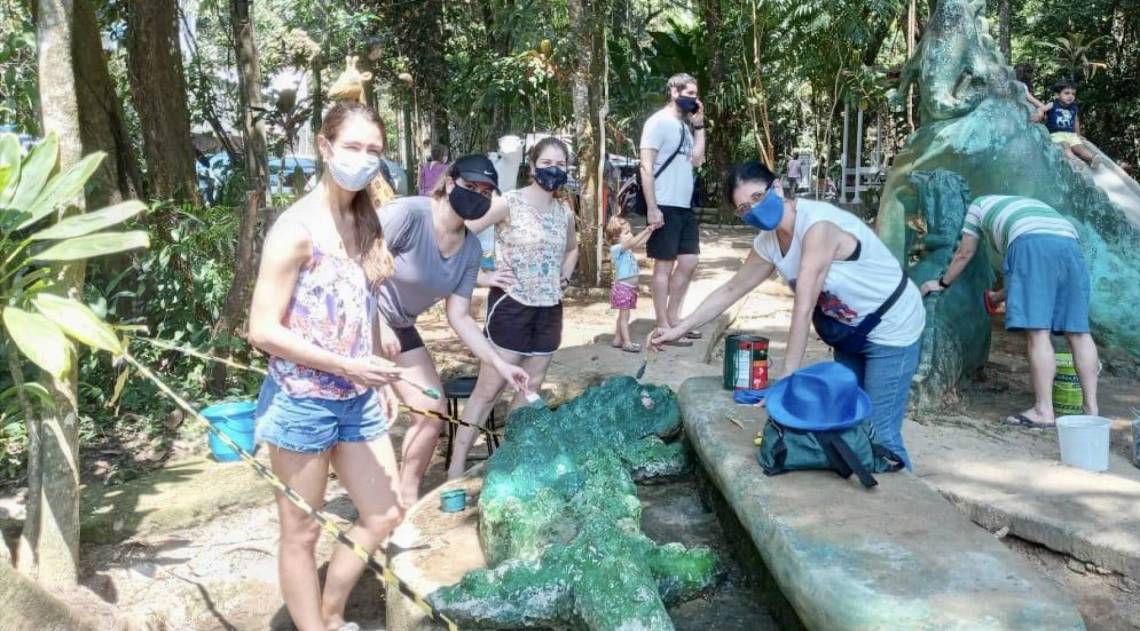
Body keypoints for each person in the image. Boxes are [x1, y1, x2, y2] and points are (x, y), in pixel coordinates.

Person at [653, 161, 926, 467]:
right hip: (849, 333)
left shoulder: (818, 226)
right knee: (852, 425)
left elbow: (804, 305)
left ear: (778, 187)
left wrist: (785, 383)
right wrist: (679, 327)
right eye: (744, 208)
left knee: (882, 437)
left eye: (757, 198)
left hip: (893, 326)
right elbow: (731, 290)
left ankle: (905, 508)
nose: (753, 210)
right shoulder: (767, 242)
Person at [247, 101, 404, 631]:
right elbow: (262, 330)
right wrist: (346, 364)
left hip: (357, 399)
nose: (363, 159)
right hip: (301, 403)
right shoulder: (294, 230)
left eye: (373, 151)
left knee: (385, 512)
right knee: (302, 532)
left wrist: (376, 359)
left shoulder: (363, 220)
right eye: (353, 147)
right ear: (325, 146)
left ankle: (331, 614)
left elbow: (359, 301)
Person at [375, 154, 530, 507]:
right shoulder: (409, 214)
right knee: (369, 418)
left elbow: (459, 316)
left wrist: (501, 365)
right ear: (449, 183)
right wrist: (377, 325)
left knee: (431, 409)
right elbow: (354, 265)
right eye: (470, 186)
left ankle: (406, 500)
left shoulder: (471, 247)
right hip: (359, 319)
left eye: (486, 191)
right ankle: (372, 504)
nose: (478, 195)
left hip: (399, 327)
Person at [447, 137, 579, 479]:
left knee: (529, 390)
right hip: (511, 307)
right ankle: (456, 469)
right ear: (532, 167)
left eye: (560, 164)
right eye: (547, 162)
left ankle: (506, 467)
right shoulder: (509, 203)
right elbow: (460, 233)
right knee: (488, 391)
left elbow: (571, 250)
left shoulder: (564, 213)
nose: (554, 169)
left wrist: (563, 279)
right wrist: (482, 277)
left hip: (550, 311)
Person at [920, 194, 1099, 428]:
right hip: (1069, 245)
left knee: (1038, 332)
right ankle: (1091, 412)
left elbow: (964, 253)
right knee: (1079, 332)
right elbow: (1038, 275)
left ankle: (1044, 411)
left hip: (1029, 243)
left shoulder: (977, 206)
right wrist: (998, 296)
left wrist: (942, 283)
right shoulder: (1030, 204)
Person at [641, 73, 707, 346]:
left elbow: (697, 160)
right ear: (673, 91)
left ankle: (674, 318)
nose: (693, 99)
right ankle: (661, 325)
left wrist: (700, 126)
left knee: (689, 261)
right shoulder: (658, 123)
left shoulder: (684, 127)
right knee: (663, 266)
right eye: (689, 94)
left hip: (684, 205)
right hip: (664, 203)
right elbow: (646, 166)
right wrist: (652, 207)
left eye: (695, 94)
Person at [605, 215, 657, 352]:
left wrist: (650, 230)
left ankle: (617, 339)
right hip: (623, 288)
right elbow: (634, 242)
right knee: (624, 317)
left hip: (629, 289)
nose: (631, 235)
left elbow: (638, 243)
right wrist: (646, 230)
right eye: (627, 233)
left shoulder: (626, 249)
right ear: (616, 237)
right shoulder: (616, 249)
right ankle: (627, 342)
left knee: (623, 315)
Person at [1041, 80, 1098, 168]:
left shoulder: (1073, 107)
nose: (1070, 96)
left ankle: (1092, 159)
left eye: (1073, 94)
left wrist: (1078, 135)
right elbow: (1042, 109)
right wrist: (1038, 114)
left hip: (1071, 134)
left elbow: (1076, 122)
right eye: (1067, 93)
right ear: (1057, 95)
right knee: (1065, 146)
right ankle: (1075, 161)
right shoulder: (1053, 104)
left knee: (1080, 148)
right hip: (1057, 134)